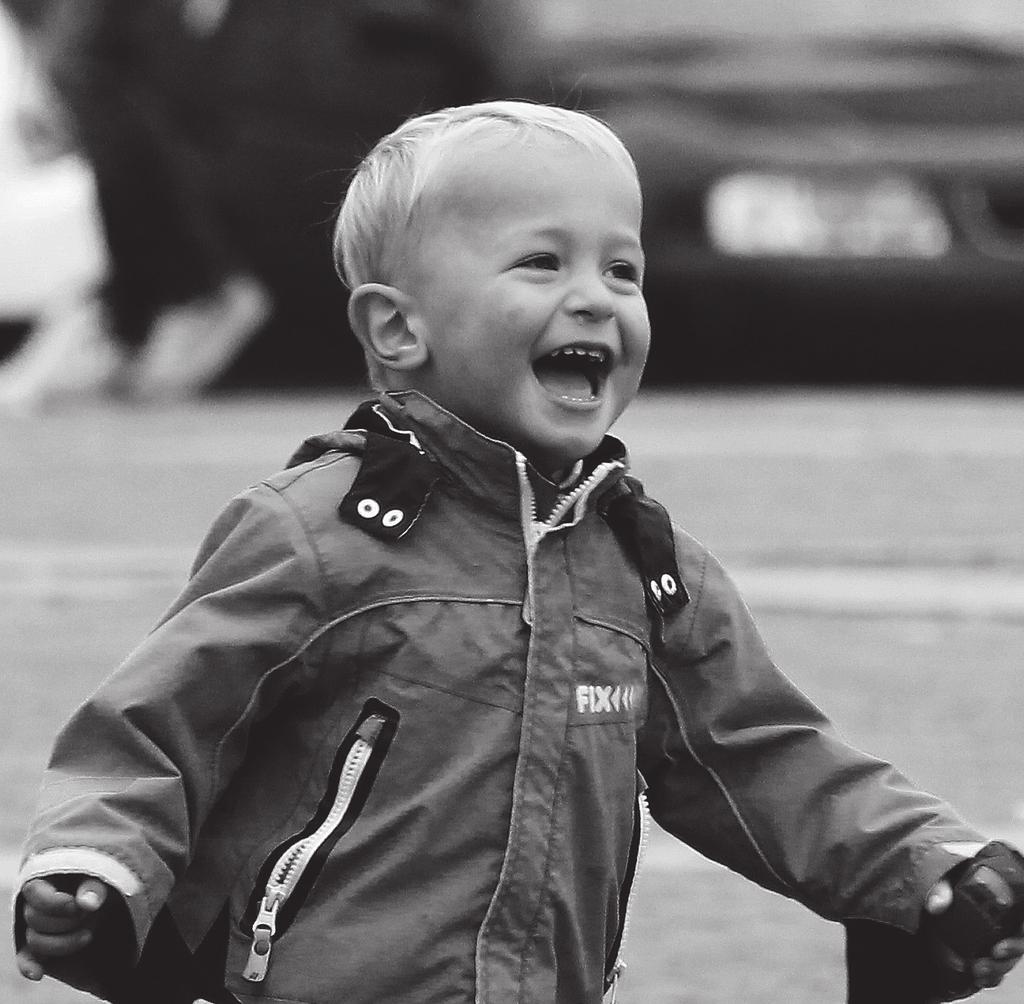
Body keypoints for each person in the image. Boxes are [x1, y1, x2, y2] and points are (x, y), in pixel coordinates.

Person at [13, 101, 1024, 1004]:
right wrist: (93, 866)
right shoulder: (318, 535)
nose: (595, 297)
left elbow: (761, 755)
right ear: (397, 328)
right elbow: (154, 727)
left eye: (620, 268)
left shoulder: (644, 564)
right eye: (541, 262)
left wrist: (926, 858)